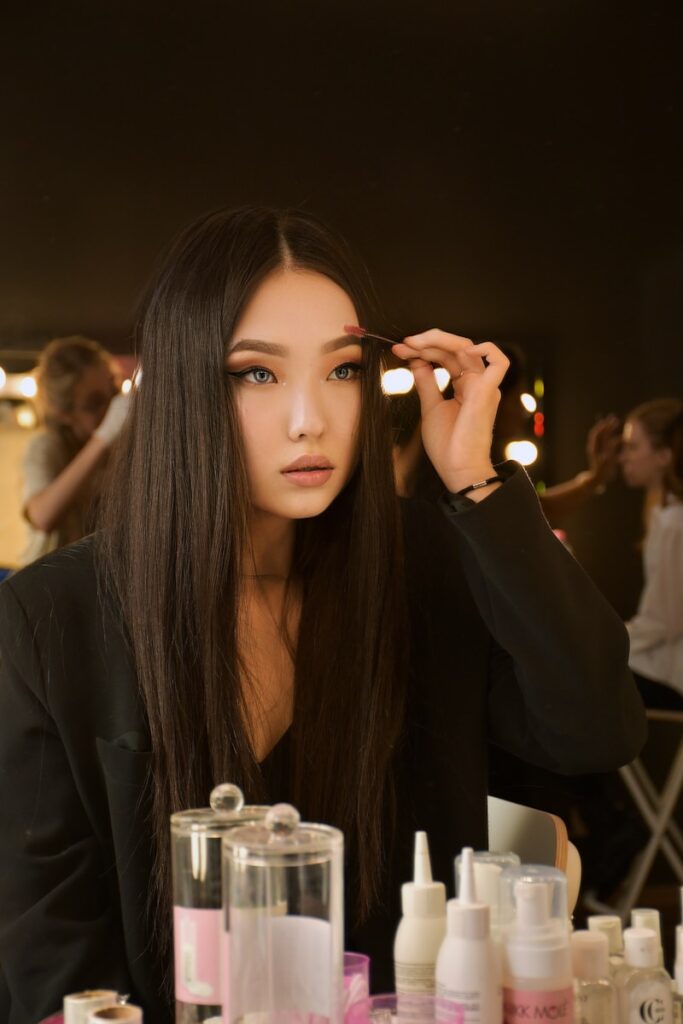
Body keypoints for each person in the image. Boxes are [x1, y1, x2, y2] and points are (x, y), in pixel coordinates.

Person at [0, 207, 646, 1023]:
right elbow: (48, 954)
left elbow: (596, 729)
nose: (312, 418)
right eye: (256, 374)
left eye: (342, 371)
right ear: (183, 388)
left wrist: (479, 486)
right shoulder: (54, 617)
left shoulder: (426, 568)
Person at [19, 336, 130, 566]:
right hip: (47, 587)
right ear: (63, 413)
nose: (111, 407)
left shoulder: (117, 449)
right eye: (95, 403)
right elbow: (42, 517)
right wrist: (103, 438)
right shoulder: (46, 448)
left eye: (113, 391)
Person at [619, 397, 683, 708]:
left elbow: (665, 622)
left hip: (671, 673)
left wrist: (607, 641)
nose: (623, 457)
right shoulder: (663, 514)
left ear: (663, 455)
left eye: (632, 447)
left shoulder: (674, 522)